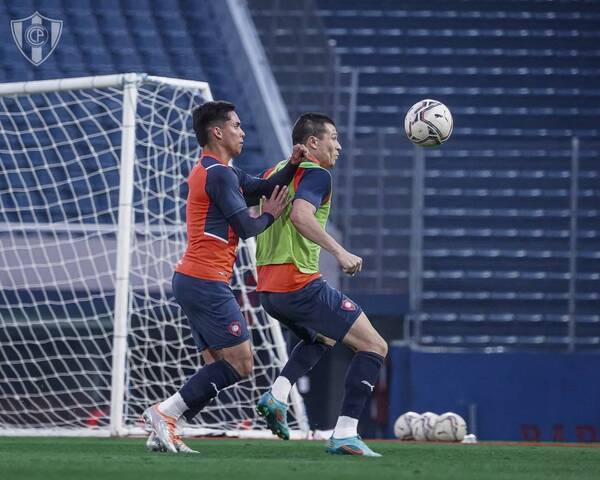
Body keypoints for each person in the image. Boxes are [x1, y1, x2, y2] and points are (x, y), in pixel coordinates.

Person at [142, 100, 308, 453]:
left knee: (216, 366)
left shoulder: (218, 171)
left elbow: (266, 187)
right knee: (242, 362)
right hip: (205, 279)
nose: (242, 131)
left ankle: (166, 427)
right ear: (217, 131)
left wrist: (293, 164)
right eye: (235, 125)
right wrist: (273, 215)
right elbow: (247, 226)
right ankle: (164, 413)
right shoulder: (217, 174)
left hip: (194, 278)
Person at [254, 113, 388, 457]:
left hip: (268, 289)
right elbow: (300, 216)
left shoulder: (273, 172)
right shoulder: (316, 175)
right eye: (334, 138)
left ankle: (278, 394)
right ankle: (345, 432)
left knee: (323, 337)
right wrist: (341, 253)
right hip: (297, 282)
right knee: (374, 346)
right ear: (313, 142)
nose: (339, 146)